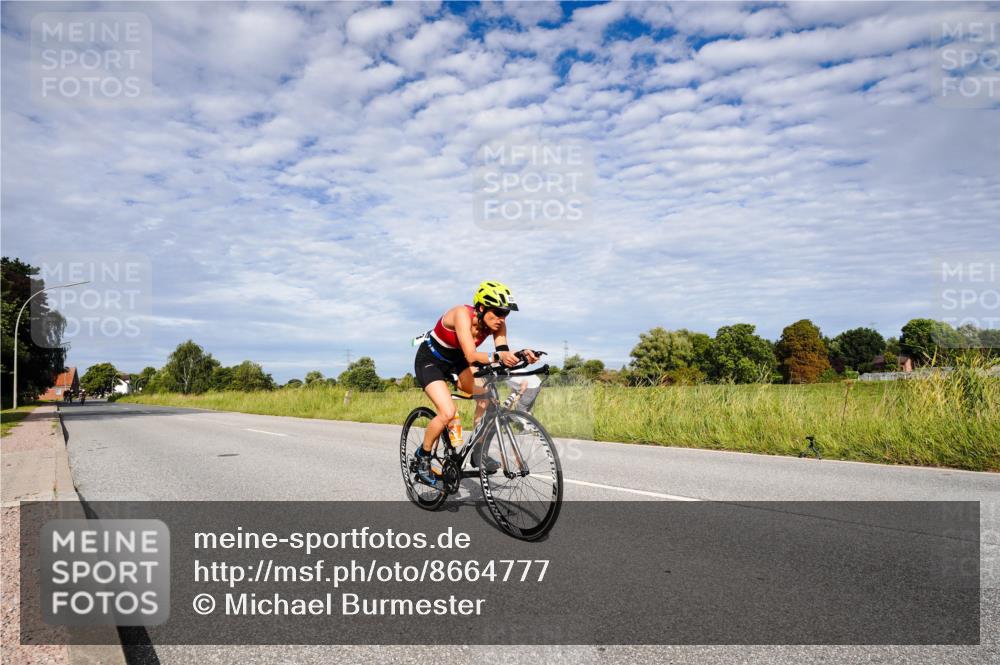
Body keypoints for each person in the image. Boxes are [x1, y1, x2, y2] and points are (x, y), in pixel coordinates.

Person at [413, 281, 538, 486]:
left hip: (458, 362)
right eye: (497, 312)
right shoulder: (462, 314)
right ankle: (422, 457)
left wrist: (523, 354)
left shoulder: (498, 324)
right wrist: (500, 357)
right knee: (447, 411)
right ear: (481, 308)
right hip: (431, 361)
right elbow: (472, 354)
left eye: (505, 314)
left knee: (487, 397)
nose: (501, 318)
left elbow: (502, 351)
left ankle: (478, 452)